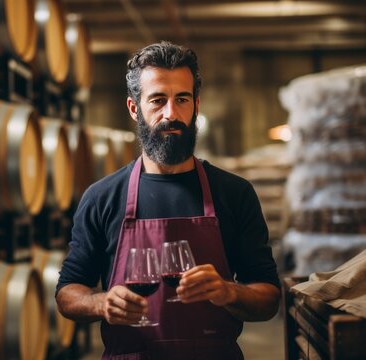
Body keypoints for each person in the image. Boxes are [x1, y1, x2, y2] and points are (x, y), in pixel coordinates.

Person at [56, 41, 280, 360]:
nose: (171, 114)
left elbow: (269, 297)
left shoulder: (234, 193)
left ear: (196, 105)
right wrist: (100, 303)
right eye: (158, 100)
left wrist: (229, 291)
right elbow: (67, 292)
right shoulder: (102, 198)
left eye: (182, 99)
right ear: (135, 108)